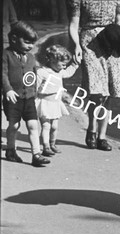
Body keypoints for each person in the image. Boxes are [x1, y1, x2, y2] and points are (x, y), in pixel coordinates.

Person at [67, 0, 120, 151]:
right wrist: (76, 45)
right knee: (97, 92)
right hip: (89, 44)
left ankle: (102, 136)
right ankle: (91, 129)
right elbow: (74, 25)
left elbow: (119, 23)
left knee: (109, 92)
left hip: (111, 42)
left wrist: (119, 39)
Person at [2, 21, 50, 167]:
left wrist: (35, 92)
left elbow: (33, 75)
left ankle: (36, 154)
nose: (30, 46)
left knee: (33, 125)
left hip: (28, 98)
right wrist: (8, 89)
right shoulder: (6, 55)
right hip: (13, 98)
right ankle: (11, 150)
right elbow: (3, 74)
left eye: (32, 43)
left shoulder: (30, 57)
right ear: (14, 38)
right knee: (14, 125)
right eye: (27, 42)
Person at [36, 44, 79, 156]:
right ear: (52, 60)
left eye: (65, 65)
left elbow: (69, 72)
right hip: (44, 103)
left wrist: (75, 64)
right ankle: (46, 147)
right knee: (46, 126)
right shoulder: (42, 72)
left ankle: (52, 144)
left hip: (55, 103)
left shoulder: (60, 72)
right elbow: (35, 87)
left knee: (54, 126)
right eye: (62, 64)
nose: (64, 67)